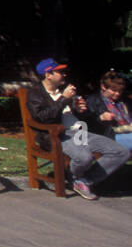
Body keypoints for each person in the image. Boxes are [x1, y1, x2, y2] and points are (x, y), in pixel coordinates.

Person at [26, 58, 130, 200]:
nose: (64, 74)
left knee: (121, 152)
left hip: (81, 132)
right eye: (60, 72)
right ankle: (77, 178)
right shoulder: (35, 93)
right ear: (48, 75)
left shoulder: (63, 90)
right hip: (58, 134)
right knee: (84, 157)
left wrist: (79, 109)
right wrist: (64, 99)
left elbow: (76, 115)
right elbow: (43, 117)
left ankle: (85, 180)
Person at [89, 70, 132, 151]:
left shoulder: (125, 100)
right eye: (114, 90)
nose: (117, 94)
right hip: (110, 137)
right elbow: (88, 124)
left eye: (120, 91)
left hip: (128, 132)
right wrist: (100, 118)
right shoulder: (93, 101)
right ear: (103, 86)